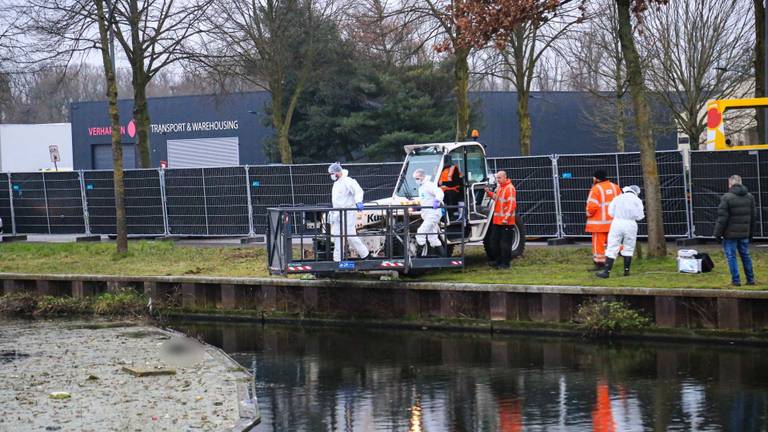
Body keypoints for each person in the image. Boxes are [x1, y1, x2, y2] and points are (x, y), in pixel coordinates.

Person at [713, 175, 757, 286]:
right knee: (746, 255)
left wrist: (717, 234)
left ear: (730, 184)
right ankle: (750, 279)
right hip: (744, 233)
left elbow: (722, 218)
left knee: (731, 256)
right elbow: (753, 217)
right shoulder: (750, 197)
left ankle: (736, 280)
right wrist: (750, 233)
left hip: (730, 234)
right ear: (741, 183)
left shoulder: (726, 197)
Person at [596, 185, 644, 278]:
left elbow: (610, 212)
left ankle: (606, 272)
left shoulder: (617, 198)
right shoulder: (637, 200)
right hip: (631, 224)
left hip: (617, 223)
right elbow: (640, 216)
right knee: (629, 246)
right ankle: (626, 271)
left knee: (612, 246)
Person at [328, 162, 370, 262]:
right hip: (338, 213)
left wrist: (359, 202)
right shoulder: (336, 183)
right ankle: (337, 260)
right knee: (337, 237)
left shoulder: (348, 181)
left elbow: (358, 191)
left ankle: (365, 254)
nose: (331, 176)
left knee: (350, 235)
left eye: (332, 173)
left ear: (338, 172)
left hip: (348, 213)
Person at [585, 170, 622, 270]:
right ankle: (623, 253)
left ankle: (600, 264)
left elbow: (592, 207)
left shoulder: (595, 189)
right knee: (613, 242)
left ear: (596, 178)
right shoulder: (616, 187)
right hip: (613, 222)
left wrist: (588, 214)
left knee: (598, 245)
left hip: (598, 224)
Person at [484, 170, 517, 269]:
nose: (497, 180)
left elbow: (511, 205)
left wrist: (506, 218)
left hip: (506, 222)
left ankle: (505, 264)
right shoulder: (500, 188)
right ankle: (498, 261)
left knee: (505, 244)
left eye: (499, 178)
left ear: (504, 177)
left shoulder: (510, 188)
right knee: (494, 242)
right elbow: (497, 198)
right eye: (497, 178)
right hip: (497, 221)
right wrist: (489, 193)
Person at [413, 168, 445, 256]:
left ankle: (418, 256)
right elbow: (425, 199)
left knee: (420, 232)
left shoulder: (429, 185)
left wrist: (437, 201)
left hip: (433, 213)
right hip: (428, 214)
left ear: (422, 177)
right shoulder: (422, 188)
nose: (416, 180)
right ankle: (443, 257)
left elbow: (440, 192)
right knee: (433, 237)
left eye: (417, 178)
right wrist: (419, 207)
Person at [438, 154, 464, 220]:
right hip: (440, 190)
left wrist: (444, 183)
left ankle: (450, 215)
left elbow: (456, 182)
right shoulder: (439, 168)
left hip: (453, 189)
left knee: (448, 196)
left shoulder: (454, 168)